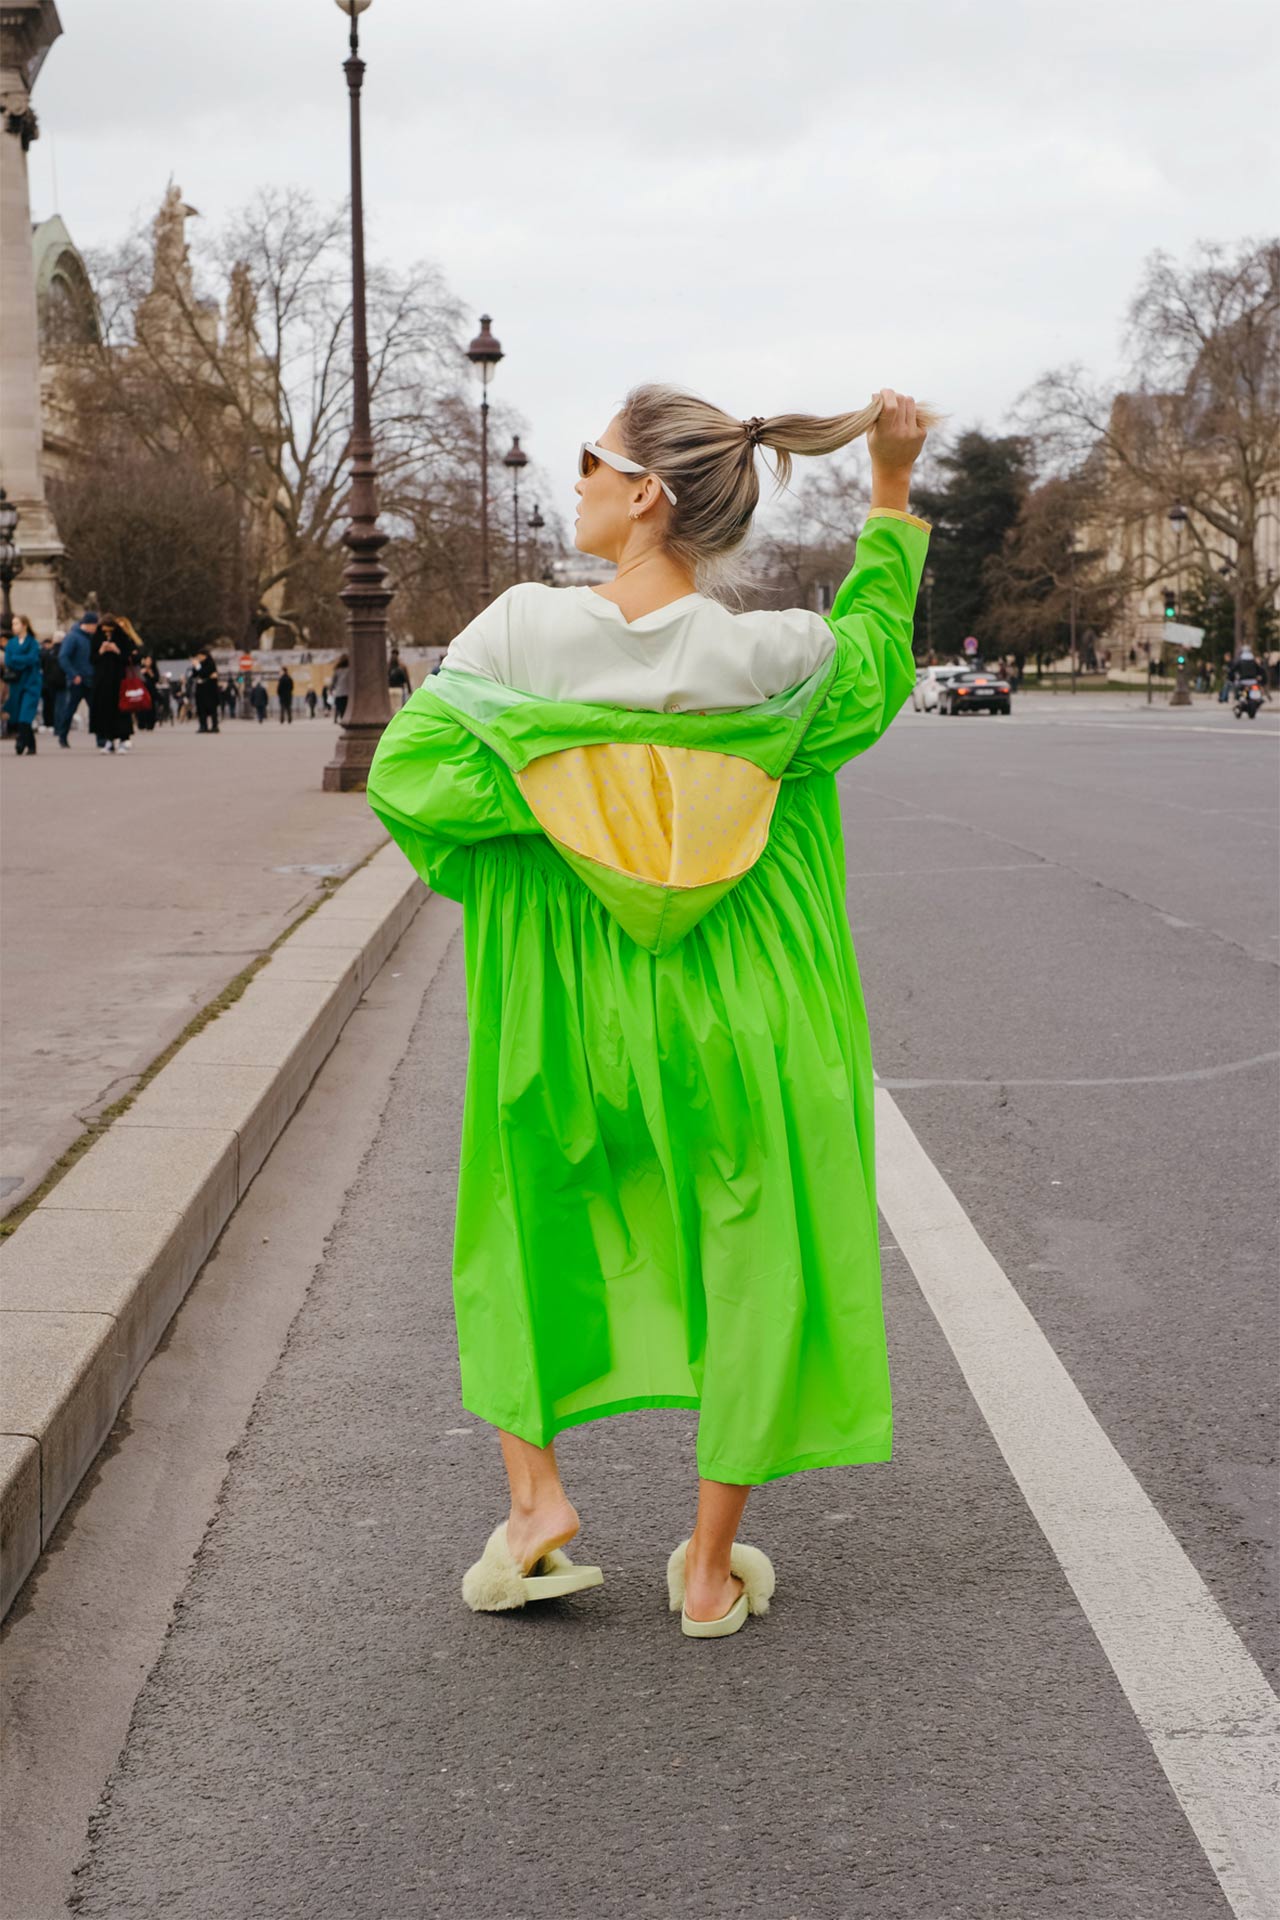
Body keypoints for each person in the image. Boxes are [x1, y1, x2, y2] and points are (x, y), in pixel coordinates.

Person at [367, 383, 938, 1637]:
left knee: (527, 1221)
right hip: (738, 1009)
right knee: (750, 1248)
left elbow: (410, 776)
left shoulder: (519, 634)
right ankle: (706, 1569)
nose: (572, 481)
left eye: (590, 462)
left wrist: (576, 794)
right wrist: (887, 491)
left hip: (565, 1004)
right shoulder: (775, 661)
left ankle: (535, 1510)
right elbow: (877, 660)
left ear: (645, 494)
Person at [88, 614, 133, 753]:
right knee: (104, 710)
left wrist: (116, 650)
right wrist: (101, 651)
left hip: (119, 679)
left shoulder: (122, 638)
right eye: (104, 630)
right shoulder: (96, 638)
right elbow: (92, 659)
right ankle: (108, 740)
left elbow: (127, 659)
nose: (107, 633)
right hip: (102, 680)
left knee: (121, 710)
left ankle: (123, 739)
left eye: (110, 631)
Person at [56, 605, 100, 746]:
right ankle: (62, 736)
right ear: (88, 625)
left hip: (90, 678)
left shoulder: (91, 638)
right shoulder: (73, 637)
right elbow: (63, 657)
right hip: (77, 680)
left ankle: (101, 739)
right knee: (70, 709)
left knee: (95, 710)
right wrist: (73, 674)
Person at [4, 615, 43, 755]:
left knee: (25, 715)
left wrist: (16, 659)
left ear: (24, 625)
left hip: (31, 683)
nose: (14, 626)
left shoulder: (32, 643)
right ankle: (30, 744)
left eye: (16, 623)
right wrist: (22, 660)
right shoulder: (11, 643)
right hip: (16, 684)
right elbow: (8, 661)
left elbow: (32, 659)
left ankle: (21, 742)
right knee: (17, 715)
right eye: (13, 624)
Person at [193, 648, 221, 733]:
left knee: (212, 709)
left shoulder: (210, 663)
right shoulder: (198, 664)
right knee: (201, 709)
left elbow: (203, 673)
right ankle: (203, 726)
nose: (199, 658)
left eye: (200, 656)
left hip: (210, 691)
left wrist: (198, 667)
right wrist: (197, 667)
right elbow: (195, 675)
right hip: (201, 690)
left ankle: (214, 726)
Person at [40, 634, 64, 731]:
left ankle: (49, 723)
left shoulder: (46, 653)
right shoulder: (63, 651)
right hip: (61, 681)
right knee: (58, 704)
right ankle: (57, 725)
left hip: (47, 681)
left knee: (48, 704)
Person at [330, 654, 350, 721]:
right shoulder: (350, 669)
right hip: (348, 694)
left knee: (341, 710)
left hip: (340, 693)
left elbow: (333, 682)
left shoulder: (337, 670)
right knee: (347, 710)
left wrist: (331, 689)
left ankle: (343, 720)